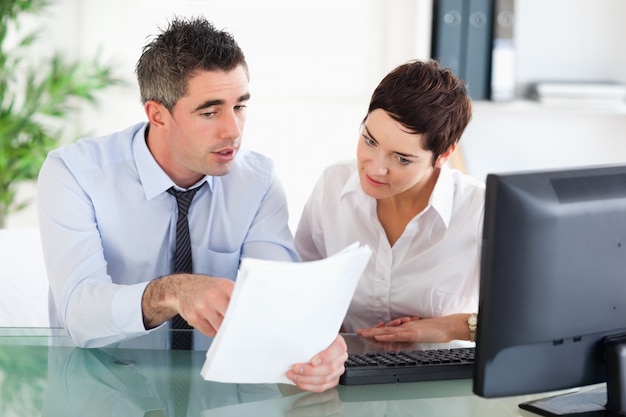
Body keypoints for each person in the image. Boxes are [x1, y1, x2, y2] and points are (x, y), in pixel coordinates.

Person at [37, 16, 346, 393]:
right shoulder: (74, 173)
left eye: (240, 106)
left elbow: (280, 303)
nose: (232, 129)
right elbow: (79, 314)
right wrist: (173, 291)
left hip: (219, 398)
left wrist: (320, 345)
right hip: (101, 395)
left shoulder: (258, 182)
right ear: (157, 115)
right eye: (210, 111)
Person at [295, 59, 485, 344]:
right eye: (370, 141)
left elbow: (527, 320)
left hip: (442, 378)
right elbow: (301, 288)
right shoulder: (333, 186)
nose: (374, 169)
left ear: (443, 155)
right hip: (345, 373)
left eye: (402, 158)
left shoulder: (480, 209)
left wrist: (450, 328)